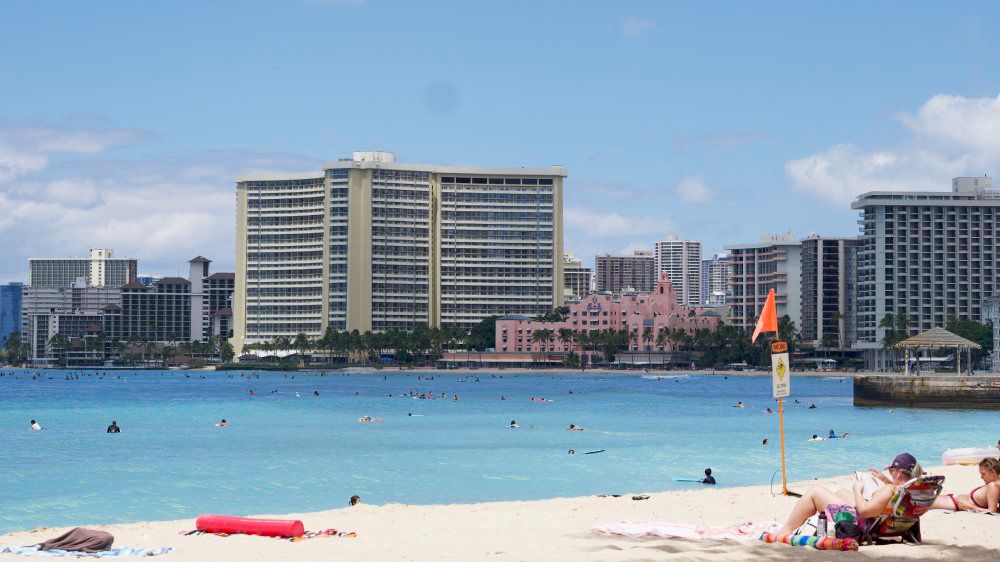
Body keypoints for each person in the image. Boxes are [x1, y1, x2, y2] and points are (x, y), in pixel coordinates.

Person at [777, 453, 920, 535]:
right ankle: (810, 522)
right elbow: (893, 493)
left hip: (860, 523)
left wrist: (857, 490)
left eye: (892, 471)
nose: (891, 473)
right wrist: (886, 479)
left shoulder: (889, 490)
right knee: (841, 492)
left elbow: (864, 512)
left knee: (815, 491)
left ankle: (786, 530)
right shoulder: (909, 490)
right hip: (877, 522)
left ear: (900, 473)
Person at [934, 457, 1000, 513]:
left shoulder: (993, 486)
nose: (981, 477)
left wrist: (969, 507)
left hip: (953, 503)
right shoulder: (995, 485)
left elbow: (992, 511)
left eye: (983, 474)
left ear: (993, 472)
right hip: (953, 500)